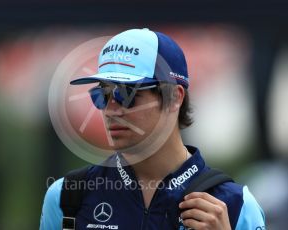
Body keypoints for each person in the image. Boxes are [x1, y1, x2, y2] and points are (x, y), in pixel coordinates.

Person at [40, 28, 265, 230]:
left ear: (174, 98)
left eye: (126, 94)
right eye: (103, 94)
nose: (111, 109)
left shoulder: (236, 204)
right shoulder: (67, 196)